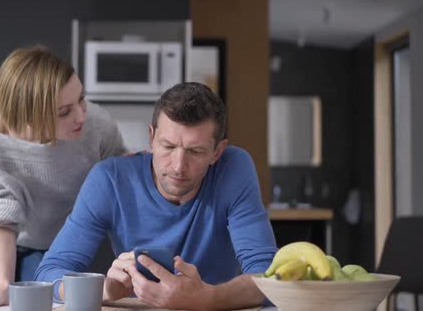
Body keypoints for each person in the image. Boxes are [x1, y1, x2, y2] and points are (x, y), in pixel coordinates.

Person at [34, 82, 277, 310]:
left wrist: (207, 298)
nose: (178, 166)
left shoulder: (233, 167)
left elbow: (268, 275)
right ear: (151, 138)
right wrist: (100, 289)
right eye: (168, 147)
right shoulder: (110, 179)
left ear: (217, 152)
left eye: (195, 151)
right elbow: (48, 274)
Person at [0, 45, 126, 309]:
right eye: (64, 111)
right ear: (29, 114)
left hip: (51, 236)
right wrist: (4, 285)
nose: (81, 115)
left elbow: (119, 175)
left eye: (81, 99)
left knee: (44, 306)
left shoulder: (96, 124)